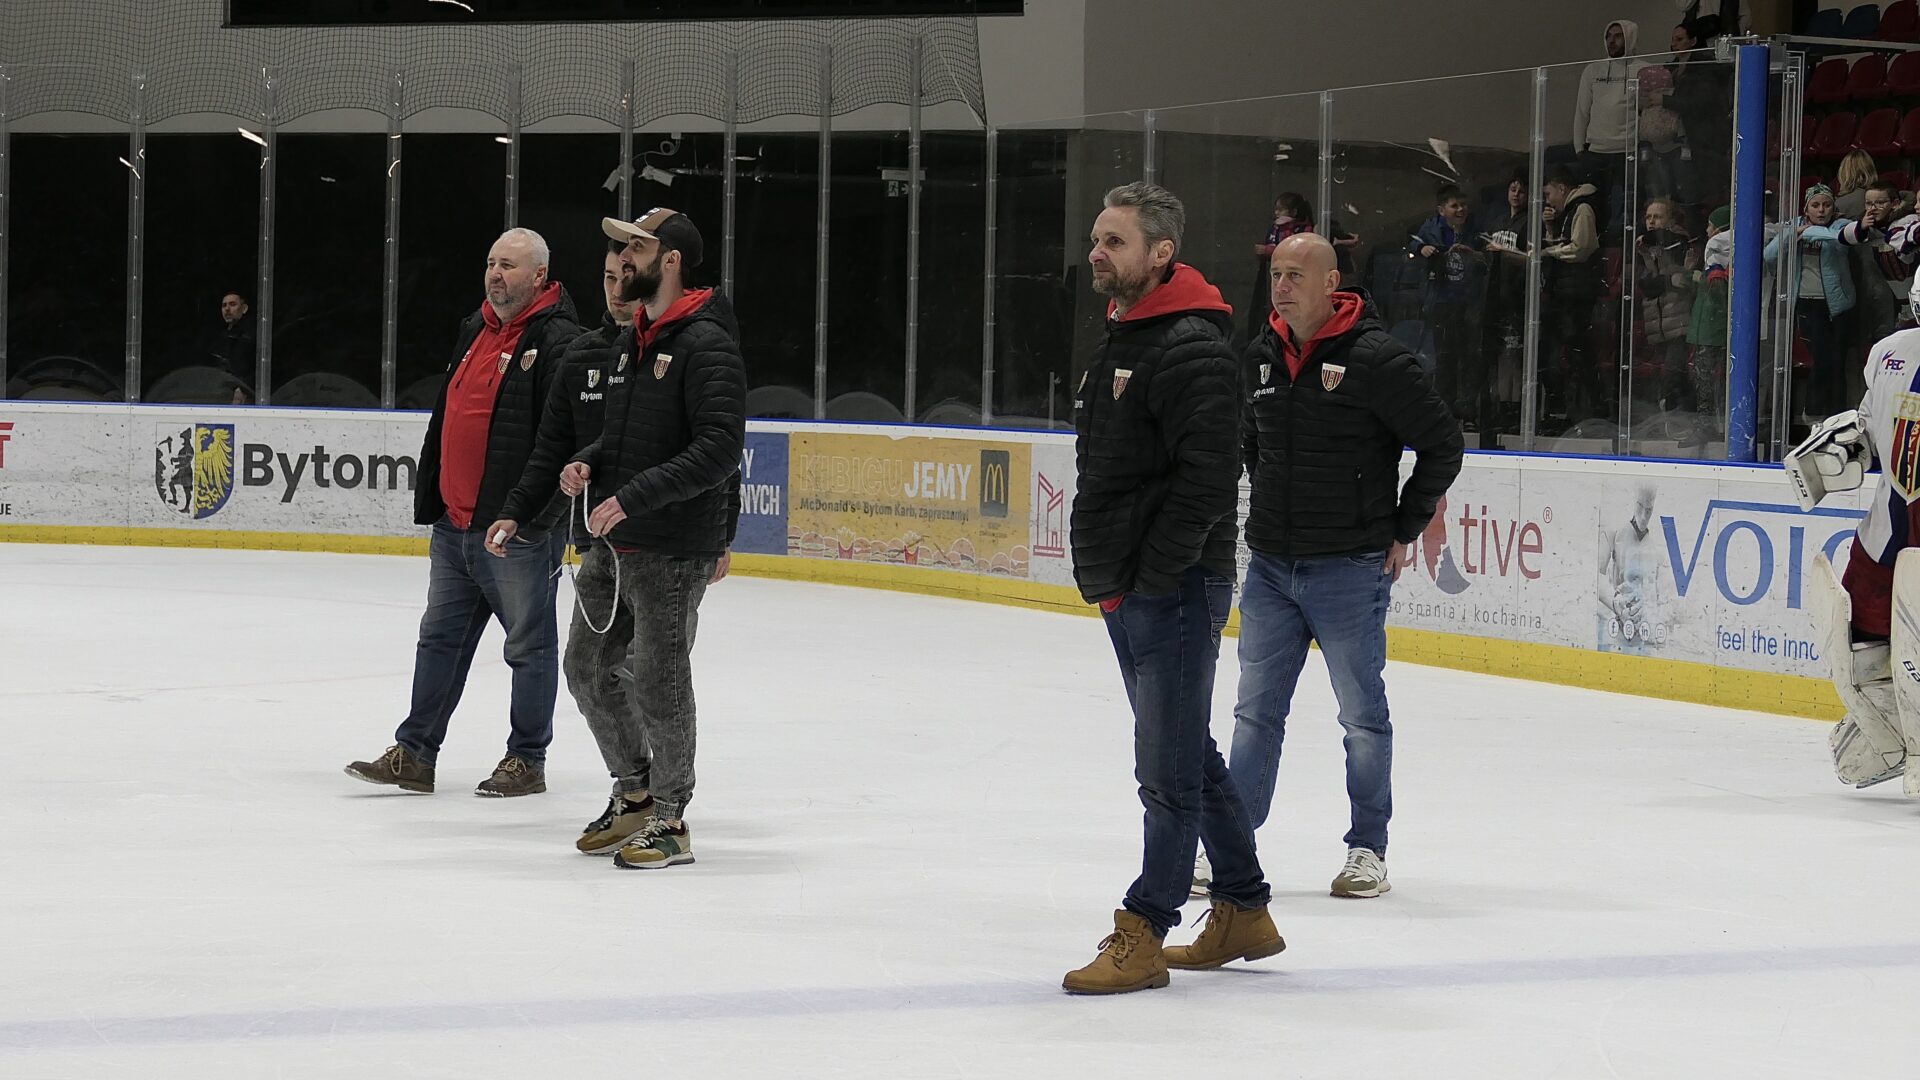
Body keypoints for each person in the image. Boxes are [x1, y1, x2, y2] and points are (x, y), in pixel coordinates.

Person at [1062, 181, 1280, 996]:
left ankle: (1145, 927)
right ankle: (1245, 907)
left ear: (1161, 253)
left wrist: (1154, 574)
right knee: (1187, 750)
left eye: (1114, 241)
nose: (1096, 253)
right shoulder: (1127, 336)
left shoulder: (1193, 347)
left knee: (1166, 769)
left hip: (1174, 587)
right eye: (1096, 238)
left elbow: (1209, 479)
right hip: (1132, 583)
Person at [489, 207, 745, 870]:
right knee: (585, 667)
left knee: (660, 681)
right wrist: (590, 464)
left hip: (671, 544)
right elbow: (627, 437)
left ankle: (671, 817)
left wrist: (632, 496)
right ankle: (634, 791)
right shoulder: (639, 340)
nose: (622, 261)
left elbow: (719, 449)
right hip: (617, 541)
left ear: (671, 261)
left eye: (637, 249)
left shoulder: (706, 342)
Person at [1227, 231, 1462, 901]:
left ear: (1332, 284)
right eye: (1276, 273)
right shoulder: (1262, 354)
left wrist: (1403, 526)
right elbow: (1252, 442)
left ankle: (1368, 848)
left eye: (1296, 275)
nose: (1281, 286)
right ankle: (1231, 846)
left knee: (1361, 716)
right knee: (1254, 714)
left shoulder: (1378, 359)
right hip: (1271, 567)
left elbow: (1442, 445)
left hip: (1349, 570)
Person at [345, 228, 582, 797]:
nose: (495, 273)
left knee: (528, 646)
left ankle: (526, 759)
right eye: (491, 262)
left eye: (509, 265)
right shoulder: (475, 326)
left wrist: (534, 520)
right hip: (455, 525)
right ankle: (414, 753)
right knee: (438, 641)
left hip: (515, 533)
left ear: (540, 277)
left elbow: (562, 442)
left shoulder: (561, 342)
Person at [1783, 310, 1920, 797]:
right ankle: (1895, 732)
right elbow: (1872, 424)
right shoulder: (1890, 353)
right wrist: (1845, 446)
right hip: (1888, 532)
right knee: (1861, 643)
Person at [1764, 184, 1881, 421]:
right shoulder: (1794, 225)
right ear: (1806, 209)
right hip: (1808, 304)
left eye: (1826, 205)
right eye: (1815, 205)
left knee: (1837, 362)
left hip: (1839, 306)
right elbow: (1769, 255)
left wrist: (1814, 232)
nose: (1821, 210)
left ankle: (1839, 417)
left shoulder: (1839, 225)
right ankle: (1813, 413)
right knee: (1822, 358)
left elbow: (1845, 238)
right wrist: (1794, 234)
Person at [1408, 184, 1485, 430]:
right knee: (1445, 359)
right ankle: (1445, 411)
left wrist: (1473, 253)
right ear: (1442, 210)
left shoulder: (1475, 229)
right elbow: (1413, 244)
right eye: (1454, 206)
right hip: (1442, 303)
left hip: (1469, 303)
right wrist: (1422, 249)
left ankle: (1469, 412)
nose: (1461, 209)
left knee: (1470, 358)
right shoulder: (1431, 229)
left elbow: (1487, 256)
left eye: (1463, 205)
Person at [1540, 167, 1606, 425]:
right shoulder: (1567, 213)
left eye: (1548, 194)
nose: (1548, 201)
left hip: (1578, 292)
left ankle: (1589, 407)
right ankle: (1573, 406)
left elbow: (1581, 248)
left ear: (1562, 188)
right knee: (1569, 350)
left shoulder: (1582, 209)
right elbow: (1563, 243)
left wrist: (1550, 253)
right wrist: (1549, 227)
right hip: (1566, 291)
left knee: (1579, 350)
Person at [1574, 20, 1649, 233]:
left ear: (1630, 37)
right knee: (1593, 207)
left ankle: (1624, 248)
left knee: (1627, 209)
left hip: (1628, 152)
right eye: (1608, 36)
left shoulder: (1643, 69)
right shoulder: (1592, 70)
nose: (1611, 41)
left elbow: (1648, 110)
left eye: (1618, 36)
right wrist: (1579, 149)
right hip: (1596, 152)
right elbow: (1582, 111)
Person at [1635, 198, 1699, 412]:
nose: (1651, 222)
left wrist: (1666, 280)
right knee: (1679, 377)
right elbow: (1646, 285)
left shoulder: (1678, 242)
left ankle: (1670, 409)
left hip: (1679, 321)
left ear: (1671, 220)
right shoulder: (1646, 248)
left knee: (1673, 374)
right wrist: (1667, 280)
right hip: (1659, 324)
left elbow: (1681, 278)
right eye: (1648, 217)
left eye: (1658, 217)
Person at [1482, 174, 1532, 434]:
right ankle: (1502, 407)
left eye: (1521, 191)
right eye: (1513, 189)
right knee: (1502, 356)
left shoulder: (1530, 222)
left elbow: (1533, 259)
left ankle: (1517, 407)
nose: (1516, 194)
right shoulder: (1498, 221)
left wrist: (1506, 253)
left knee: (1516, 357)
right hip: (1497, 297)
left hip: (1518, 296)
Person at [1596, 487, 1665, 654]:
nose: (1644, 515)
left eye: (1649, 510)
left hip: (1643, 637)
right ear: (1634, 501)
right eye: (1640, 506)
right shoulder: (1614, 531)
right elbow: (1595, 576)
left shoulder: (1658, 546)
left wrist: (1650, 613)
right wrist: (1615, 601)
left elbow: (1663, 598)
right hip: (1616, 633)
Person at [1685, 205, 1733, 435]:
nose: (1706, 230)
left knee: (1709, 379)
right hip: (1706, 327)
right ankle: (1708, 424)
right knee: (1704, 378)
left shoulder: (1719, 253)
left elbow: (1717, 289)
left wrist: (1694, 277)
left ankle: (1710, 426)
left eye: (1710, 225)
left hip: (1713, 329)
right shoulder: (1712, 256)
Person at [1246, 193, 1316, 339]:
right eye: (1276, 209)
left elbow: (1294, 251)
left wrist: (1269, 250)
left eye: (1281, 209)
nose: (1276, 213)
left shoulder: (1303, 230)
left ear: (1294, 212)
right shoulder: (1275, 228)